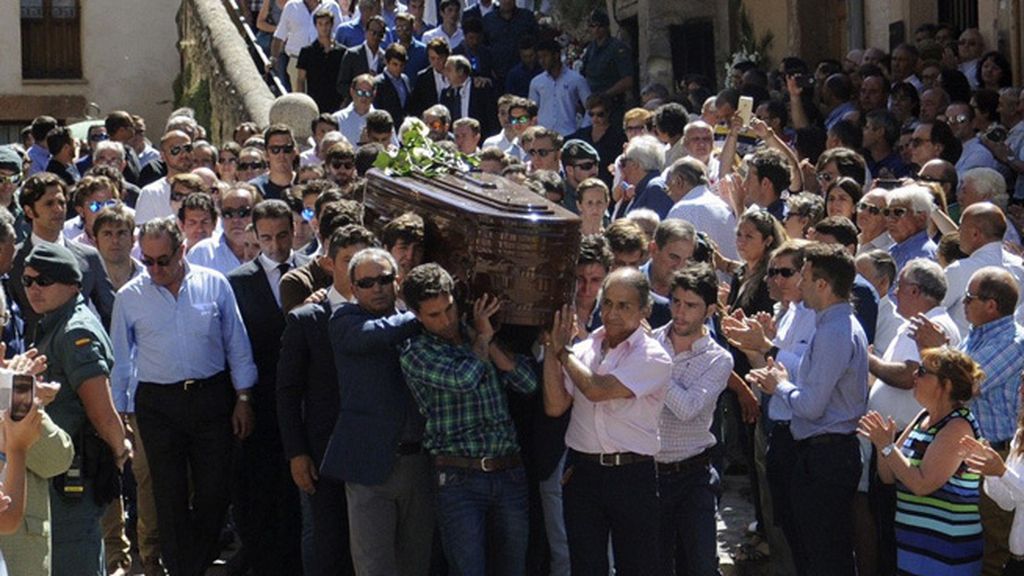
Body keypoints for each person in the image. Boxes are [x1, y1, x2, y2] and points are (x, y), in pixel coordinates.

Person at [110, 217, 257, 576]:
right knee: (169, 495)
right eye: (147, 261)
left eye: (163, 260)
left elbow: (236, 343)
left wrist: (243, 398)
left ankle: (196, 562)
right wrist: (120, 417)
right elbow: (121, 361)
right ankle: (182, 570)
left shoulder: (214, 285)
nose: (155, 269)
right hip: (158, 405)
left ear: (182, 250)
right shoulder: (130, 297)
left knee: (214, 491)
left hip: (211, 398)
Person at [400, 264, 537, 576]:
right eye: (434, 315)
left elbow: (528, 383)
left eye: (449, 309)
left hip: (508, 470)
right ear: (418, 316)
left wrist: (485, 336)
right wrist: (482, 341)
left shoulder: (478, 332)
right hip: (458, 476)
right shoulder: (415, 351)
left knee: (513, 568)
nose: (446, 320)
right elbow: (465, 379)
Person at [747, 242, 869, 576]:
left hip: (825, 458)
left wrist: (779, 386)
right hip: (822, 456)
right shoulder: (833, 325)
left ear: (822, 285)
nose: (797, 285)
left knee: (824, 557)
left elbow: (812, 406)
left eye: (805, 277)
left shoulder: (834, 330)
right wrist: (788, 378)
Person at [542, 266, 672, 575]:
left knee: (636, 566)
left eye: (624, 305)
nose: (612, 313)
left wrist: (562, 354)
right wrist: (551, 349)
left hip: (631, 475)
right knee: (586, 566)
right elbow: (555, 406)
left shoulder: (654, 356)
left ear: (645, 309)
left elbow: (597, 389)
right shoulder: (584, 351)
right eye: (608, 303)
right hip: (583, 473)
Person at [20, 243, 130, 576]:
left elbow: (102, 411)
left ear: (73, 285)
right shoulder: (54, 322)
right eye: (27, 281)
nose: (34, 289)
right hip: (53, 468)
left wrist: (118, 448)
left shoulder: (75, 331)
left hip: (73, 473)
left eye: (45, 281)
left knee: (73, 558)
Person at [324, 248, 434, 576]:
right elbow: (374, 336)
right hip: (369, 467)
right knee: (375, 568)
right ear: (354, 289)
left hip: (418, 464)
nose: (377, 288)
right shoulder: (344, 320)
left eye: (385, 279)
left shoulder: (420, 323)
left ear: (397, 281)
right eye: (367, 282)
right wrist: (422, 314)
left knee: (416, 564)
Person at [278, 225, 374, 576]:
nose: (356, 270)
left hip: (375, 455)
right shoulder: (307, 319)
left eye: (362, 260)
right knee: (329, 546)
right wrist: (297, 453)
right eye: (348, 260)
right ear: (328, 264)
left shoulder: (384, 315)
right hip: (323, 455)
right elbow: (288, 392)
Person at [226, 200, 308, 574]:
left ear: (294, 231)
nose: (275, 245)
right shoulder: (238, 282)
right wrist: (243, 399)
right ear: (254, 237)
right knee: (261, 490)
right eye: (267, 238)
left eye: (282, 235)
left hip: (305, 402)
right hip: (260, 401)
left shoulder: (313, 274)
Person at [859, 347, 984, 574]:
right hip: (914, 550)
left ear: (946, 385)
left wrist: (888, 447)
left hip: (947, 553)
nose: (915, 375)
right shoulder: (923, 417)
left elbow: (921, 484)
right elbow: (887, 477)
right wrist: (882, 445)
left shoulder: (958, 426)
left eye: (923, 372)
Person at [653, 263, 732, 575]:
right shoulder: (650, 342)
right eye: (675, 302)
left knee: (699, 565)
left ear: (709, 310)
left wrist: (655, 367)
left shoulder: (718, 359)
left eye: (691, 305)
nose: (680, 312)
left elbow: (687, 408)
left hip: (693, 475)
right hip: (648, 473)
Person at [9, 173, 116, 342]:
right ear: (29, 211)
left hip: (80, 357)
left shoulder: (88, 257)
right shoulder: (13, 260)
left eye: (62, 203)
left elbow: (110, 313)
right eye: (49, 203)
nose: (58, 209)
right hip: (31, 360)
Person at [187, 185, 257, 275]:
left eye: (243, 212)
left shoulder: (268, 249)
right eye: (228, 213)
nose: (235, 219)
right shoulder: (203, 252)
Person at [529, 39, 591, 137]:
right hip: (543, 135)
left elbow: (590, 106)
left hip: (569, 133)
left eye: (545, 56)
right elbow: (531, 111)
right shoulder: (536, 82)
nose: (542, 61)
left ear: (556, 55)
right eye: (539, 57)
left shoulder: (576, 79)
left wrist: (583, 129)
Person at [296, 6, 345, 114]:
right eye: (320, 24)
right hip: (314, 103)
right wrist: (302, 102)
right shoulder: (306, 52)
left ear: (332, 25)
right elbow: (300, 80)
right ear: (316, 25)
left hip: (336, 104)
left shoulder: (342, 52)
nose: (324, 27)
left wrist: (344, 102)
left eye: (327, 23)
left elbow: (345, 78)